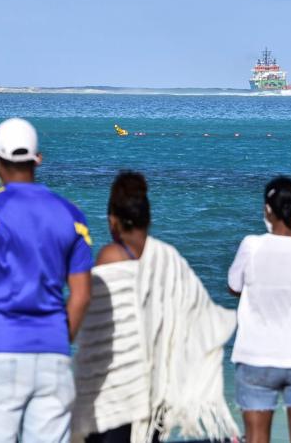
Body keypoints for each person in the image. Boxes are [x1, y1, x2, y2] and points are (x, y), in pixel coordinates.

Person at [73, 171, 239, 443]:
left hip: (115, 389)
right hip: (155, 387)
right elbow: (198, 318)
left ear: (112, 220)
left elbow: (95, 330)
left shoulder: (109, 257)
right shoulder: (169, 258)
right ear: (148, 219)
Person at [0, 117, 92, 443]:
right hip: (53, 353)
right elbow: (81, 295)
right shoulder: (72, 215)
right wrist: (61, 337)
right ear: (38, 159)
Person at [227, 177, 291, 443]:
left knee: (257, 438)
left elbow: (233, 285)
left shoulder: (252, 245)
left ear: (268, 210)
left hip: (256, 355)